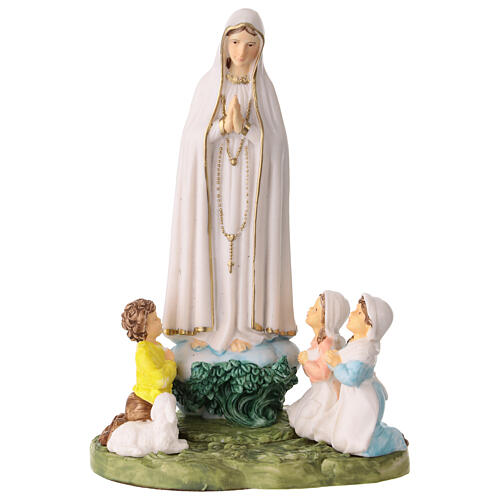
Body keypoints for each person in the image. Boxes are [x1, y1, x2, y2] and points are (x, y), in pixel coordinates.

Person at [162, 8, 296, 354]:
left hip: (252, 198)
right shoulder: (208, 87)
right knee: (216, 254)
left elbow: (277, 146)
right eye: (235, 42)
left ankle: (244, 328)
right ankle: (213, 327)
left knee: (247, 255)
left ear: (260, 48)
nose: (241, 52)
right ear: (223, 43)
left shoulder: (265, 91)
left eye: (250, 44)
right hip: (215, 192)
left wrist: (246, 128)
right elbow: (190, 140)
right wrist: (222, 127)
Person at [323, 294, 407, 457]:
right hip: (351, 398)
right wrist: (332, 361)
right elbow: (341, 361)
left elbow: (352, 378)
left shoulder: (365, 350)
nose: (352, 314)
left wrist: (336, 364)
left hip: (362, 399)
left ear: (370, 325)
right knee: (341, 437)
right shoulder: (355, 343)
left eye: (359, 313)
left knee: (358, 443)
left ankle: (393, 439)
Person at [99, 299, 176, 446]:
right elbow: (160, 380)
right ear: (144, 327)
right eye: (154, 319)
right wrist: (170, 363)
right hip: (145, 403)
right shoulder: (144, 352)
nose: (159, 321)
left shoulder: (157, 346)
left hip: (157, 401)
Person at [286, 291, 349, 442]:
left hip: (326, 394)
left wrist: (306, 361)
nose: (310, 310)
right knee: (294, 415)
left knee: (305, 425)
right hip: (317, 390)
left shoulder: (328, 344)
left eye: (315, 309)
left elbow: (323, 374)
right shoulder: (318, 341)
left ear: (327, 318)